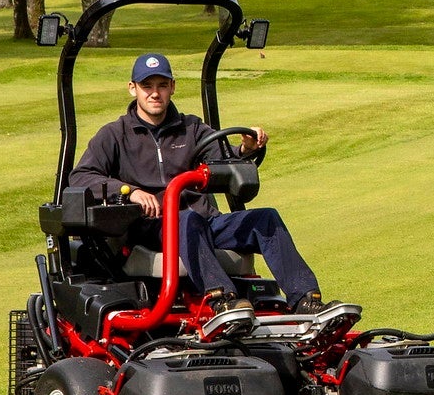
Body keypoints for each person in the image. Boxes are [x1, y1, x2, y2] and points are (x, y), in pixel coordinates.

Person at [68, 52, 320, 314]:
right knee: (186, 220)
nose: (155, 94)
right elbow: (81, 176)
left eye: (162, 86)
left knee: (265, 220)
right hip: (153, 227)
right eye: (147, 86)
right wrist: (132, 192)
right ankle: (221, 299)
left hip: (204, 223)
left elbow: (221, 159)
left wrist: (245, 150)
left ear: (172, 87)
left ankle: (306, 299)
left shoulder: (192, 128)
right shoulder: (115, 134)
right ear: (133, 89)